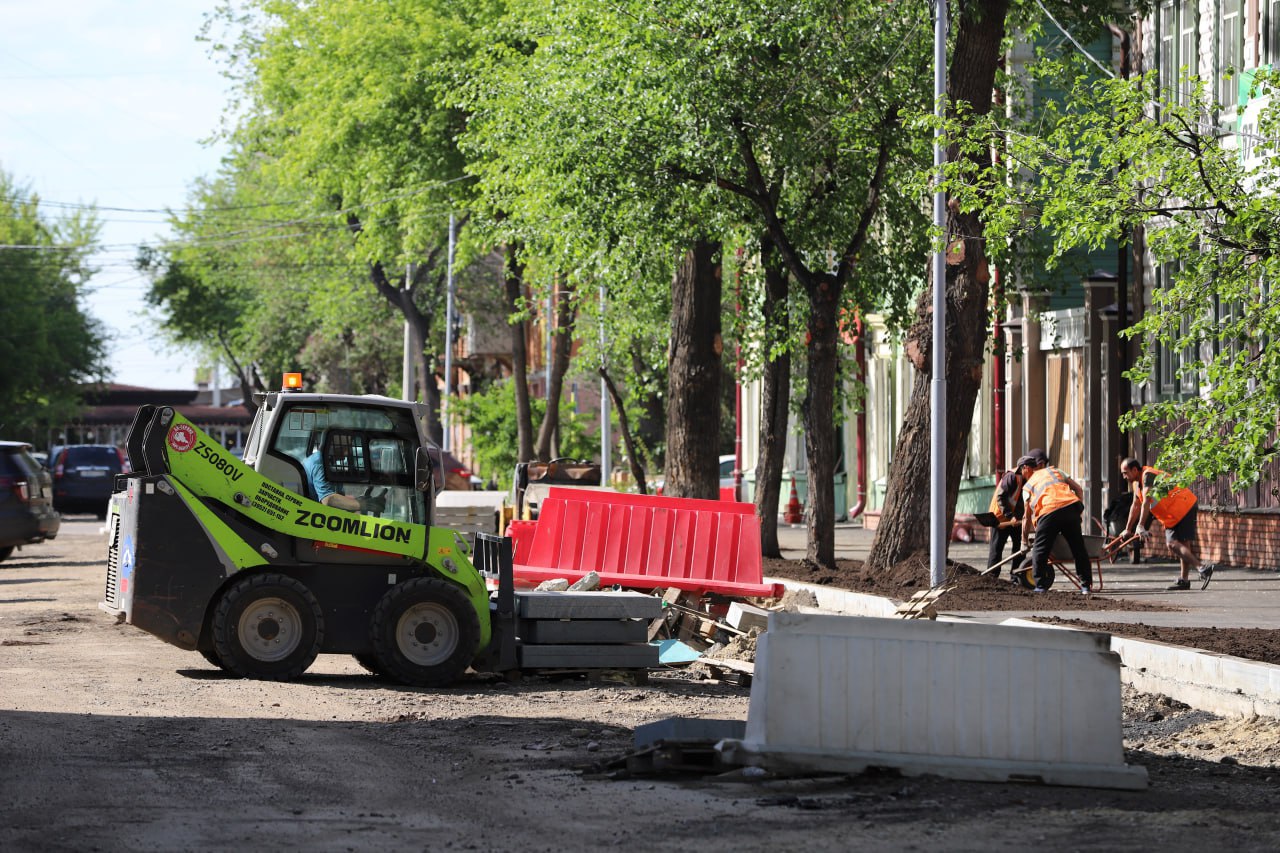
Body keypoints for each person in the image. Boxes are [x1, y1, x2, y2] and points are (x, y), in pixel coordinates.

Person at [1119, 458, 1214, 591]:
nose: (1124, 476)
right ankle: (1184, 580)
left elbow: (1146, 501)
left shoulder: (1148, 475)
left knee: (1172, 543)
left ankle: (1202, 568)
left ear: (1135, 470)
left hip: (1183, 506)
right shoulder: (1136, 484)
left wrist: (1140, 526)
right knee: (1183, 544)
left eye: (1125, 472)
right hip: (1173, 512)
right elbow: (1135, 505)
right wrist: (1127, 529)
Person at [1020, 453, 1094, 595]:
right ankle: (1086, 586)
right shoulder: (1056, 471)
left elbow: (1026, 518)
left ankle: (1040, 586)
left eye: (1021, 471)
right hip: (1070, 508)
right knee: (1078, 548)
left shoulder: (1027, 486)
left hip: (1049, 513)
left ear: (1026, 468)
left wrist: (1024, 541)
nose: (1022, 475)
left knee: (1040, 549)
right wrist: (1077, 512)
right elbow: (1078, 489)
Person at [304, 431, 384, 515]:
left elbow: (335, 501)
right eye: (343, 448)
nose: (347, 453)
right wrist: (364, 504)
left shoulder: (324, 461)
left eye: (348, 448)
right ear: (330, 446)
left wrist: (358, 502)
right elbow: (328, 499)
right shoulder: (319, 463)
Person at [986, 461, 1029, 573]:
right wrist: (1010, 516)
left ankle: (1017, 577)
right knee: (996, 549)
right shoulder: (1012, 476)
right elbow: (1001, 497)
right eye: (1032, 469)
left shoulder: (1027, 480)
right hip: (1001, 520)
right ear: (1025, 468)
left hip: (1016, 520)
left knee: (1019, 549)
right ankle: (991, 578)